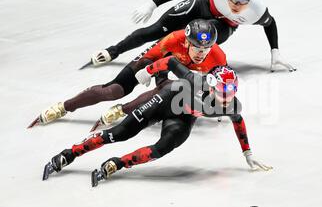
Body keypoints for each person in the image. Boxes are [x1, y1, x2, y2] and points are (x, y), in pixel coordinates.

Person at [42, 56, 272, 187]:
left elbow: (238, 122)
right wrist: (148, 71)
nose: (226, 96)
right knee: (120, 133)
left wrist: (247, 153)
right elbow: (171, 62)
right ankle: (70, 153)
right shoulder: (194, 79)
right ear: (210, 85)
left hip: (183, 116)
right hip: (165, 99)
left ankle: (117, 164)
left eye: (231, 91)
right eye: (222, 90)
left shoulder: (232, 105)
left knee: (163, 148)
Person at [30, 20, 227, 127]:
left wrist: (216, 101)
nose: (202, 53)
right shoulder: (173, 40)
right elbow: (149, 58)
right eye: (197, 48)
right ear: (186, 42)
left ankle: (122, 110)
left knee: (169, 89)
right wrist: (148, 72)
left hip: (178, 72)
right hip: (155, 62)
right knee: (113, 90)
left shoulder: (218, 57)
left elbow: (224, 84)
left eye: (206, 48)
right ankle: (64, 107)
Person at [91, 0, 296, 72]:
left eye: (240, 3)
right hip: (202, 5)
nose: (234, 5)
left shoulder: (258, 10)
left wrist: (275, 51)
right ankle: (113, 51)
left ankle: (165, 60)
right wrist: (153, 4)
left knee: (200, 37)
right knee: (155, 30)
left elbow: (270, 24)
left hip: (224, 25)